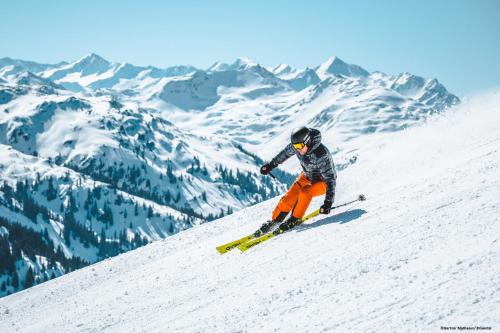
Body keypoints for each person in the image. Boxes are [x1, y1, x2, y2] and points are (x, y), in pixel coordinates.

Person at [256, 126, 337, 236]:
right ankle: (275, 221)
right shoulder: (298, 146)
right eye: (295, 146)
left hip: (323, 182)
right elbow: (285, 153)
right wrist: (271, 165)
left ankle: (295, 219)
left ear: (308, 141)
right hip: (307, 176)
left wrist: (328, 203)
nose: (297, 149)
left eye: (299, 146)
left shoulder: (321, 154)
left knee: (305, 192)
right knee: (289, 197)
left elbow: (330, 179)